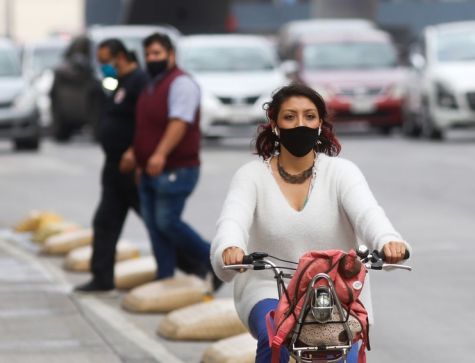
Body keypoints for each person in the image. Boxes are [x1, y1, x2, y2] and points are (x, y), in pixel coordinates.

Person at [210, 84, 412, 362]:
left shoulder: (342, 172)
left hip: (337, 290)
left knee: (347, 350)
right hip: (270, 286)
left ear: (320, 123)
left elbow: (368, 214)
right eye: (290, 117)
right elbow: (232, 221)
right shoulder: (251, 176)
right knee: (274, 337)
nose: (300, 124)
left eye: (309, 116)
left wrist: (388, 241)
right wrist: (230, 247)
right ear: (275, 124)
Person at [127, 33, 221, 290]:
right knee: (155, 226)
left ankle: (213, 260)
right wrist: (139, 158)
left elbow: (179, 122)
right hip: (149, 169)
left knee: (167, 222)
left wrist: (159, 154)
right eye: (148, 54)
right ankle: (165, 276)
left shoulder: (181, 84)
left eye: (157, 53)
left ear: (171, 55)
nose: (151, 59)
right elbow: (145, 127)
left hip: (176, 168)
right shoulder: (151, 84)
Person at [75, 39, 148, 292]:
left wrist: (135, 152)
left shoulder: (139, 81)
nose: (103, 66)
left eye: (106, 61)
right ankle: (102, 277)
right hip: (113, 166)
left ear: (120, 56)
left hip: (130, 165)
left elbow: (145, 122)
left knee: (157, 222)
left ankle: (199, 264)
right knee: (105, 222)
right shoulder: (118, 83)